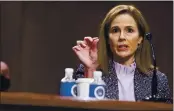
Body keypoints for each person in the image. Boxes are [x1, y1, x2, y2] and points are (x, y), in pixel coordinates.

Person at [72, 5, 171, 101]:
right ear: (107, 39)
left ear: (140, 39)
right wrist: (90, 70)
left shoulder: (158, 80)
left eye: (129, 30)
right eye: (115, 30)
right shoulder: (88, 71)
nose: (122, 37)